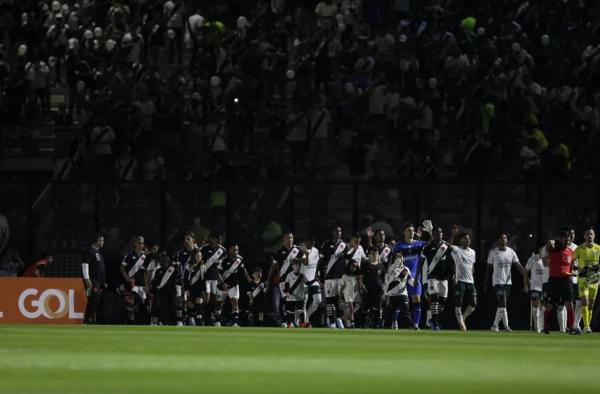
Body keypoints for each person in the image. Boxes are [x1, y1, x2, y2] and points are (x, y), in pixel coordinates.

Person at [484, 233, 525, 332]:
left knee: (502, 304)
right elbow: (488, 269)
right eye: (501, 238)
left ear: (507, 240)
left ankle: (494, 325)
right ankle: (506, 326)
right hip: (497, 281)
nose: (503, 239)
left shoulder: (511, 252)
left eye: (505, 238)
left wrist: (527, 278)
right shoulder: (493, 252)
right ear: (498, 240)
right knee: (503, 301)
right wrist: (485, 284)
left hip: (508, 282)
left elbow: (518, 266)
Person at [392, 223, 428, 330]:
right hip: (401, 278)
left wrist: (429, 232)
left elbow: (433, 244)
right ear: (404, 232)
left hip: (415, 278)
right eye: (408, 230)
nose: (411, 232)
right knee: (400, 301)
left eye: (412, 230)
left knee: (416, 300)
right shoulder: (398, 246)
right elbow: (393, 262)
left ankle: (416, 324)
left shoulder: (419, 244)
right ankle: (394, 322)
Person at [543, 231, 579, 335]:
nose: (567, 241)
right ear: (560, 239)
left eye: (568, 240)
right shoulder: (553, 249)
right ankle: (545, 327)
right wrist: (556, 240)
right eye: (565, 239)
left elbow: (571, 269)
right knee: (549, 305)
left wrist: (571, 273)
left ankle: (571, 327)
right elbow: (549, 242)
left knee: (569, 304)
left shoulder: (570, 252)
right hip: (554, 281)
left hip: (566, 281)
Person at [267, 231, 305, 325]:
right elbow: (273, 266)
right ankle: (286, 321)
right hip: (284, 280)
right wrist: (268, 279)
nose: (290, 239)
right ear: (283, 240)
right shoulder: (279, 252)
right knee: (286, 300)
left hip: (296, 280)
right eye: (287, 238)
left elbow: (305, 261)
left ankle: (298, 321)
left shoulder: (298, 250)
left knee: (298, 301)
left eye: (291, 237)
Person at [423, 227, 453, 330]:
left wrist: (455, 275)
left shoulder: (446, 246)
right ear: (433, 234)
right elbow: (421, 260)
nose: (439, 234)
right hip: (432, 276)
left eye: (440, 232)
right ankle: (435, 323)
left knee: (442, 301)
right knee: (434, 297)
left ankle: (433, 320)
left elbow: (452, 260)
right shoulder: (428, 247)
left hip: (444, 277)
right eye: (436, 232)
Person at [319, 225, 348, 328]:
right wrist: (319, 276)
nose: (338, 232)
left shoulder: (344, 245)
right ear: (332, 232)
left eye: (340, 230)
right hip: (330, 277)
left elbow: (348, 260)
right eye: (336, 230)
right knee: (330, 301)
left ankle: (339, 318)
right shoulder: (326, 245)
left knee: (344, 299)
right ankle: (332, 322)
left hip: (341, 277)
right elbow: (321, 261)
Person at [217, 243, 252, 327]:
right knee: (219, 303)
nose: (235, 252)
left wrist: (248, 278)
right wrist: (222, 283)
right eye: (233, 250)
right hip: (222, 284)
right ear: (229, 250)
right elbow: (217, 273)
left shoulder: (239, 259)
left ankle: (235, 322)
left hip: (234, 284)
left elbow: (243, 269)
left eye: (237, 250)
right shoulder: (223, 260)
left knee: (235, 302)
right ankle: (217, 321)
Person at [573, 227, 600, 333]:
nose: (590, 236)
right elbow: (573, 261)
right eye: (588, 234)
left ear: (594, 236)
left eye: (591, 234)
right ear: (584, 236)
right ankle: (586, 326)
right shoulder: (579, 248)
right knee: (584, 300)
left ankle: (587, 326)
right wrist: (576, 269)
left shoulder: (598, 248)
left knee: (591, 304)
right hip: (583, 278)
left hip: (594, 278)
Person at [450, 233, 477, 331]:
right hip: (460, 280)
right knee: (459, 303)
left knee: (474, 303)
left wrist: (472, 277)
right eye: (465, 238)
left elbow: (472, 266)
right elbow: (449, 246)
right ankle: (462, 324)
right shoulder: (457, 250)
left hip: (470, 281)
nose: (468, 240)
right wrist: (453, 234)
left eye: (468, 238)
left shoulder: (473, 252)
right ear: (461, 240)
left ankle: (463, 318)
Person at [172, 232, 198, 326]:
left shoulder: (198, 252)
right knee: (180, 299)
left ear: (193, 240)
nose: (186, 241)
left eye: (188, 239)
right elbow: (174, 269)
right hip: (180, 281)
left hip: (193, 281)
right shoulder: (178, 254)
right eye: (185, 239)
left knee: (191, 301)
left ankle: (191, 317)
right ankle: (180, 320)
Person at [201, 233, 227, 326]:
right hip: (206, 278)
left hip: (216, 278)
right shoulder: (205, 249)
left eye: (220, 239)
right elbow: (200, 261)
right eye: (217, 239)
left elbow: (221, 266)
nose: (219, 241)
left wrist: (222, 280)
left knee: (215, 300)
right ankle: (201, 316)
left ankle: (215, 320)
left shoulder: (223, 251)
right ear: (212, 239)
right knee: (206, 299)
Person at [382, 253, 412, 329]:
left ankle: (406, 328)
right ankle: (387, 329)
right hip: (392, 295)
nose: (399, 259)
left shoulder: (406, 269)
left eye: (401, 257)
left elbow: (410, 280)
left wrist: (415, 282)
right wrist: (396, 265)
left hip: (403, 294)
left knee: (405, 313)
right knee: (388, 316)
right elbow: (390, 278)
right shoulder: (391, 268)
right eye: (397, 257)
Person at [82, 234, 106, 324]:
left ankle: (90, 318)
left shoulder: (98, 252)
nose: (103, 242)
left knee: (93, 299)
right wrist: (87, 279)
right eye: (102, 240)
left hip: (98, 282)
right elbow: (85, 265)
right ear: (97, 241)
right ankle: (87, 319)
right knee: (93, 298)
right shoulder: (89, 251)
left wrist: (103, 282)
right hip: (91, 282)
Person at [359, 246, 385, 328]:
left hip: (377, 292)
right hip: (366, 291)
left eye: (376, 253)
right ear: (369, 255)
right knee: (365, 309)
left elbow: (384, 278)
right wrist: (361, 286)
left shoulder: (381, 265)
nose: (374, 255)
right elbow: (361, 277)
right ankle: (363, 324)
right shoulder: (365, 265)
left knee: (376, 308)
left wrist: (383, 287)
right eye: (372, 253)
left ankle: (376, 325)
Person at [524, 246, 547, 333]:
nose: (543, 251)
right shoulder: (533, 259)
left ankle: (541, 326)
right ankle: (536, 327)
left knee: (543, 308)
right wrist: (526, 285)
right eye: (542, 250)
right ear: (539, 250)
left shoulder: (548, 259)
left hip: (544, 286)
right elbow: (526, 272)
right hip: (535, 287)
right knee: (535, 306)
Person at [301, 236, 321, 327]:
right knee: (304, 302)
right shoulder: (301, 249)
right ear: (306, 241)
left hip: (313, 279)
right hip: (303, 280)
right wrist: (306, 253)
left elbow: (317, 264)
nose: (312, 243)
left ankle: (307, 318)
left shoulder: (316, 250)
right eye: (310, 241)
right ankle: (305, 322)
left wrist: (317, 275)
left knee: (318, 300)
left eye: (313, 241)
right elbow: (305, 263)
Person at [120, 236, 147, 303]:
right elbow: (122, 268)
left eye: (142, 243)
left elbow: (148, 272)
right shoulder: (128, 255)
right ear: (135, 243)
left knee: (142, 306)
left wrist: (148, 285)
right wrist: (127, 278)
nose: (141, 245)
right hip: (132, 285)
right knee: (131, 305)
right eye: (139, 243)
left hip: (142, 285)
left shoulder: (146, 256)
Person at [282, 258, 305, 328]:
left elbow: (307, 283)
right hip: (291, 297)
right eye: (295, 265)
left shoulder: (302, 275)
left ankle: (303, 323)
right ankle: (289, 324)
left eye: (298, 265)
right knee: (290, 311)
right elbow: (286, 285)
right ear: (292, 266)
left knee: (300, 311)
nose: (297, 266)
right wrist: (286, 293)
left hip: (300, 296)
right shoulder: (289, 275)